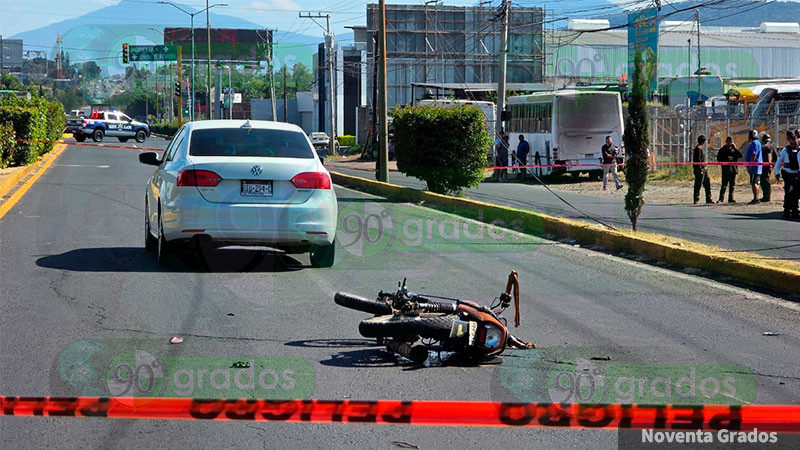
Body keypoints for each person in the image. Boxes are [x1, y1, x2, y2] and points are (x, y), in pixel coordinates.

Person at [774, 130, 800, 219]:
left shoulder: (799, 151)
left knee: (796, 193)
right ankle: (786, 211)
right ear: (790, 143)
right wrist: (776, 173)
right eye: (792, 144)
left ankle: (795, 211)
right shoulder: (785, 151)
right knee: (788, 192)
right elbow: (778, 163)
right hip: (787, 174)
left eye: (795, 144)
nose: (794, 146)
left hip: (796, 174)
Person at [716, 136, 743, 203]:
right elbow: (718, 159)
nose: (730, 143)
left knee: (732, 186)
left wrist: (735, 148)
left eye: (731, 142)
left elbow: (740, 155)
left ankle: (731, 198)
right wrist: (726, 159)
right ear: (726, 142)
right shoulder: (722, 150)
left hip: (733, 170)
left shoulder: (734, 150)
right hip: (725, 170)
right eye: (728, 142)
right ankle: (721, 199)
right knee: (724, 185)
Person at [692, 135, 713, 204]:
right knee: (698, 184)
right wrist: (700, 169)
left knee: (707, 183)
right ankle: (696, 199)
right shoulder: (698, 149)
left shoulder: (700, 148)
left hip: (704, 169)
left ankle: (708, 198)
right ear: (703, 142)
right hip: (700, 170)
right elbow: (698, 160)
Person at [744, 129, 763, 204]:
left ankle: (756, 198)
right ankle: (756, 198)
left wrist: (751, 165)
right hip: (756, 166)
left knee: (754, 182)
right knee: (755, 182)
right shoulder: (757, 142)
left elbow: (753, 155)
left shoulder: (754, 143)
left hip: (754, 167)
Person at [759, 133, 778, 202]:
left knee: (764, 181)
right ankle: (766, 196)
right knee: (766, 180)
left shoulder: (763, 147)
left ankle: (766, 197)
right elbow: (776, 157)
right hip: (768, 167)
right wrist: (772, 165)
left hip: (764, 167)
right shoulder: (771, 147)